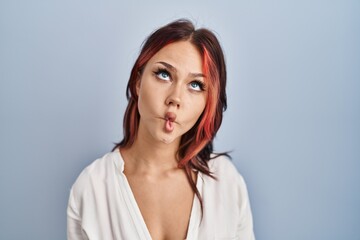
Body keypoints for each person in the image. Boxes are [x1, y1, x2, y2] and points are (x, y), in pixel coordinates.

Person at [67, 19, 255, 240]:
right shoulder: (92, 188)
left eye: (195, 85)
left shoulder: (226, 182)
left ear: (209, 101)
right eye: (164, 74)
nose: (175, 98)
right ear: (138, 82)